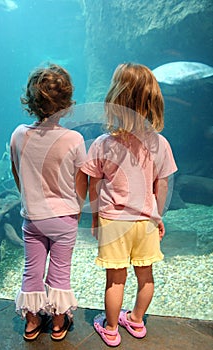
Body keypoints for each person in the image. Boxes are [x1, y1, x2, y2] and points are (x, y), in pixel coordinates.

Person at [81, 63, 177, 347]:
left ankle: (110, 328)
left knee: (115, 279)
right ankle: (135, 320)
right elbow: (162, 184)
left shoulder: (102, 144)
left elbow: (94, 184)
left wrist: (96, 219)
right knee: (146, 275)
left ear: (115, 100)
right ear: (152, 102)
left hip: (113, 220)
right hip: (146, 220)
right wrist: (158, 215)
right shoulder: (161, 144)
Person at [10, 64, 88, 341]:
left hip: (32, 217)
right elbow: (81, 181)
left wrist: (30, 200)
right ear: (66, 104)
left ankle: (32, 323)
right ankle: (57, 323)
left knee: (31, 270)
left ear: (31, 101)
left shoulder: (19, 134)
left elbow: (17, 173)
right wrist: (77, 209)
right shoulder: (74, 139)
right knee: (60, 271)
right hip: (65, 217)